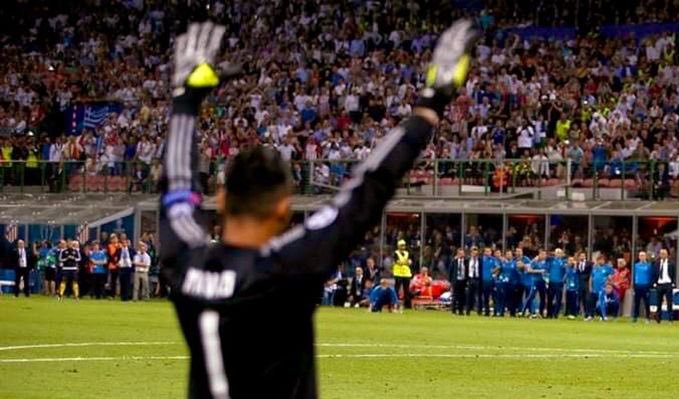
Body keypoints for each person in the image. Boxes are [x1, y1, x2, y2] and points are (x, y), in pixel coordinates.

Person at [155, 21, 477, 398]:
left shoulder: (185, 261)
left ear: (222, 200)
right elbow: (366, 189)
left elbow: (176, 186)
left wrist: (184, 101)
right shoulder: (288, 267)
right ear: (283, 209)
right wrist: (430, 104)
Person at [588, 255, 614, 321]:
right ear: (597, 261)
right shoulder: (595, 268)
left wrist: (608, 282)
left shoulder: (607, 268)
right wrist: (590, 286)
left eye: (602, 260)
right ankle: (591, 316)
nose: (601, 261)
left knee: (602, 303)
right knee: (591, 302)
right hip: (594, 288)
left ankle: (604, 316)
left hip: (602, 288)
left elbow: (611, 276)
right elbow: (591, 278)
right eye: (599, 260)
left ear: (604, 260)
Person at [653, 248, 676, 323]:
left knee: (669, 302)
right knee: (658, 302)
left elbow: (673, 273)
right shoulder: (657, 263)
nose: (662, 255)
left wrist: (673, 283)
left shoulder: (671, 263)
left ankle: (670, 319)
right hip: (659, 284)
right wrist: (655, 283)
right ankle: (658, 318)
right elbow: (655, 273)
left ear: (667, 254)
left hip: (668, 284)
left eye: (664, 253)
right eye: (661, 253)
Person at [631, 251, 653, 323]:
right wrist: (633, 285)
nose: (642, 257)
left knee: (646, 302)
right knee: (636, 302)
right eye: (640, 255)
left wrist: (649, 285)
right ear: (639, 257)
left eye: (643, 255)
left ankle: (647, 317)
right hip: (638, 286)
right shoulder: (636, 265)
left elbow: (650, 275)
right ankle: (635, 317)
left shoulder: (648, 265)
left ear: (645, 256)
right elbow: (634, 276)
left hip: (645, 286)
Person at [545, 248, 566, 319]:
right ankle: (549, 314)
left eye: (560, 253)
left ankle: (555, 314)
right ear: (555, 253)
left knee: (558, 299)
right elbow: (547, 270)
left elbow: (565, 272)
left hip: (559, 283)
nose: (559, 254)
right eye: (557, 253)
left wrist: (563, 280)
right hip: (551, 282)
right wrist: (547, 281)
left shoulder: (563, 262)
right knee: (550, 299)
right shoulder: (551, 260)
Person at [393, 239, 413, 309]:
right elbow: (398, 262)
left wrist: (405, 262)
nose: (403, 247)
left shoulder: (407, 253)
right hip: (398, 273)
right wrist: (406, 262)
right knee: (396, 289)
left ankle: (407, 305)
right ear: (398, 246)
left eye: (404, 245)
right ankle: (395, 303)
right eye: (401, 245)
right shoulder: (396, 253)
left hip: (406, 273)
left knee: (406, 290)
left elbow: (410, 262)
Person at [478, 247, 497, 316]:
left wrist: (494, 272)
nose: (487, 253)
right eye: (486, 251)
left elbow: (498, 267)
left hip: (492, 281)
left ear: (491, 252)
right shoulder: (481, 260)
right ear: (484, 252)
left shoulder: (494, 259)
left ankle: (495, 312)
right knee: (485, 297)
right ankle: (486, 312)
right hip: (483, 281)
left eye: (489, 251)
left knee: (494, 297)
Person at [450, 248, 469, 315]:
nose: (461, 255)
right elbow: (451, 272)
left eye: (462, 253)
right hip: (456, 280)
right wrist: (451, 282)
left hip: (463, 280)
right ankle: (453, 310)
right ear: (457, 254)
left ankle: (461, 310)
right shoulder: (454, 261)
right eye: (460, 253)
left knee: (462, 296)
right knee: (455, 296)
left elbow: (467, 271)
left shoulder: (466, 261)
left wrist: (467, 280)